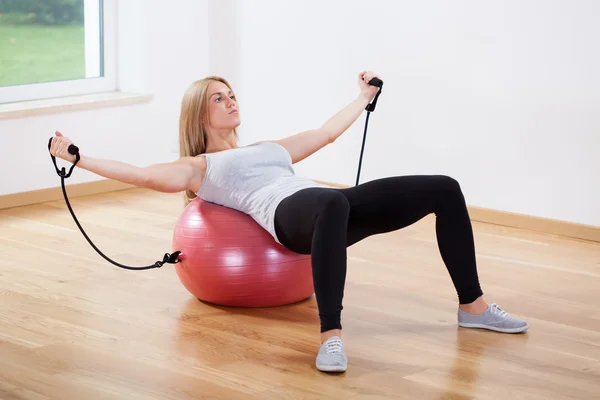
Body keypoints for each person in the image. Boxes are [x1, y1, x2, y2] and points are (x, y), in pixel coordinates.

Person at [49, 71, 529, 373]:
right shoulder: (200, 166)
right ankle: (331, 338)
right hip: (289, 219)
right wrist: (80, 157)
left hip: (324, 206)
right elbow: (143, 175)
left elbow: (325, 132)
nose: (231, 101)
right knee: (332, 202)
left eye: (232, 94)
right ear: (200, 112)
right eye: (218, 98)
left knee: (442, 187)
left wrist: (362, 97)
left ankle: (474, 308)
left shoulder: (268, 148)